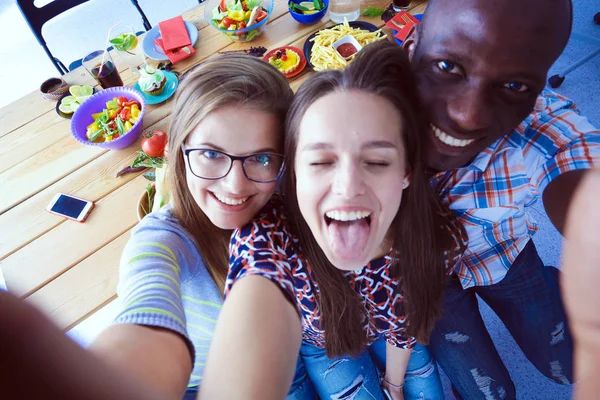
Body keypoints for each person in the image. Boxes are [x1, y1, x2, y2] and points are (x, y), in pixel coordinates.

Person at [201, 41, 466, 400]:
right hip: (325, 346)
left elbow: (407, 327)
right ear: (292, 174)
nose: (348, 187)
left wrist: (394, 384)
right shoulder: (273, 236)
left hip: (393, 337)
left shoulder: (440, 241)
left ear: (406, 170)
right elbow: (254, 280)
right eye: (321, 161)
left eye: (376, 161)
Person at [86, 54, 316, 399]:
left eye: (262, 157)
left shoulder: (292, 192)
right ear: (179, 152)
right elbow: (145, 312)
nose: (235, 186)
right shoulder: (161, 240)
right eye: (211, 154)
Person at [402, 0, 600, 397]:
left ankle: (551, 283)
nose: (469, 115)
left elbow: (572, 151)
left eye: (515, 86)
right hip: (422, 280)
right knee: (489, 394)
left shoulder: (539, 129)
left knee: (566, 367)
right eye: (449, 66)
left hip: (503, 256)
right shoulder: (359, 116)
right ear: (412, 46)